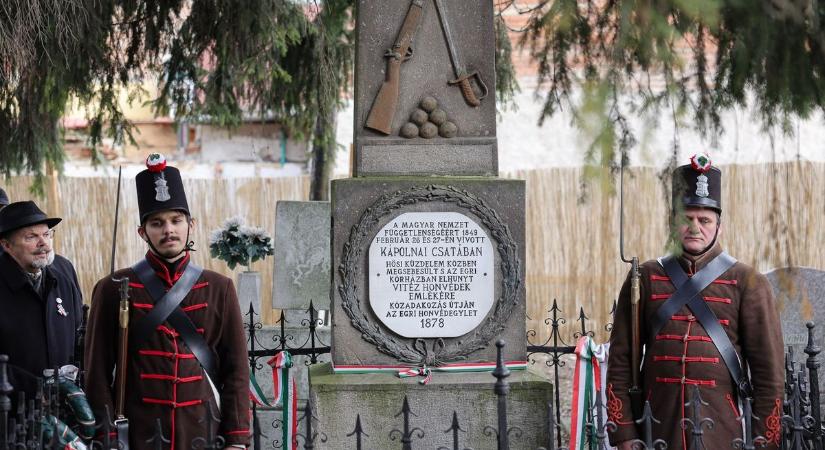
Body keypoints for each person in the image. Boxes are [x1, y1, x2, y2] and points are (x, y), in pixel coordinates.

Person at [606, 154, 784, 449]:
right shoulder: (646, 277)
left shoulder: (748, 282)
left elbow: (769, 374)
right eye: (686, 219)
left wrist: (764, 440)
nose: (695, 227)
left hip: (722, 430)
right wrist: (625, 434)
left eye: (704, 220)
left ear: (719, 226)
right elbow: (621, 360)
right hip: (657, 424)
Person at [85, 154, 250, 449]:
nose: (169, 230)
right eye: (157, 223)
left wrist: (236, 440)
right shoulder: (111, 288)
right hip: (138, 432)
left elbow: (236, 370)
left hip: (202, 429)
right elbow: (97, 373)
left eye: (176, 221)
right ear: (143, 232)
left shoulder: (219, 287)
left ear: (191, 225)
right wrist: (108, 437)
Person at [0, 201, 83, 407]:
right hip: (12, 417)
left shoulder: (63, 276)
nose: (43, 243)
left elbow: (79, 334)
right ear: (6, 245)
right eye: (31, 237)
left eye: (46, 235)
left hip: (64, 412)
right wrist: (33, 389)